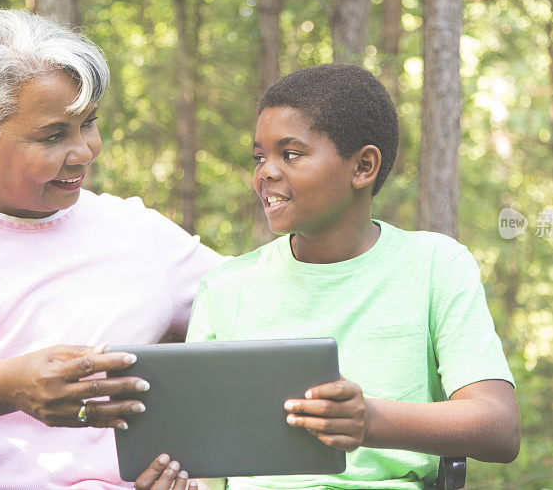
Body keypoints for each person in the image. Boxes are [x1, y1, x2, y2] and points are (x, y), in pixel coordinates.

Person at [156, 63, 520, 489]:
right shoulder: (226, 286)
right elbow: (204, 444)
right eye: (260, 157)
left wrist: (371, 420)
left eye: (290, 154)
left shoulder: (435, 265)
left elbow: (500, 427)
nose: (265, 172)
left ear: (363, 167)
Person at [0, 9, 223, 489]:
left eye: (88, 123)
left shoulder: (137, 233)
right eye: (54, 135)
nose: (84, 151)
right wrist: (11, 386)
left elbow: (266, 314)